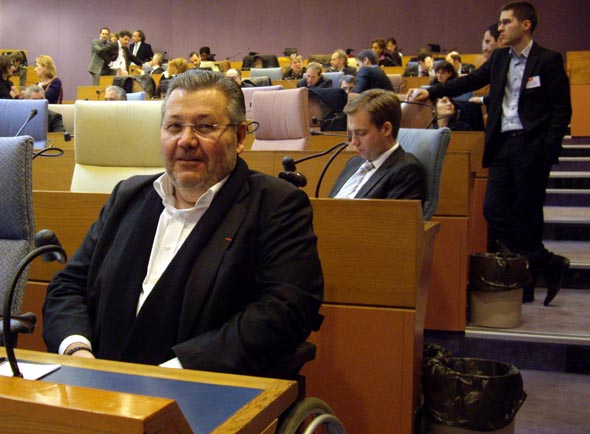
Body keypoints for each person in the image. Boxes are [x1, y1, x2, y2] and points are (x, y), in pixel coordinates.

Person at [42, 70, 324, 377]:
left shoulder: (274, 205)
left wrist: (180, 371)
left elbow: (284, 310)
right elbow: (68, 286)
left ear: (240, 137)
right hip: (96, 381)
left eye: (205, 127)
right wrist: (76, 349)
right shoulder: (129, 196)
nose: (186, 140)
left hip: (200, 388)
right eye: (174, 126)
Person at [409, 1, 572, 305]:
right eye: (499, 22)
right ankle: (548, 263)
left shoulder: (547, 60)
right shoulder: (498, 59)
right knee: (493, 210)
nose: (500, 27)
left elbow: (562, 110)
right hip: (501, 145)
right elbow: (469, 81)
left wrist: (547, 146)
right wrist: (431, 91)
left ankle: (526, 281)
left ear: (525, 25)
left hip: (532, 147)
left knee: (528, 214)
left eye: (506, 22)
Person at [329, 89, 426, 200]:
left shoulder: (406, 171)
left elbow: (390, 217)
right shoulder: (353, 163)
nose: (354, 142)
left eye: (361, 133)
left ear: (386, 129)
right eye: (352, 133)